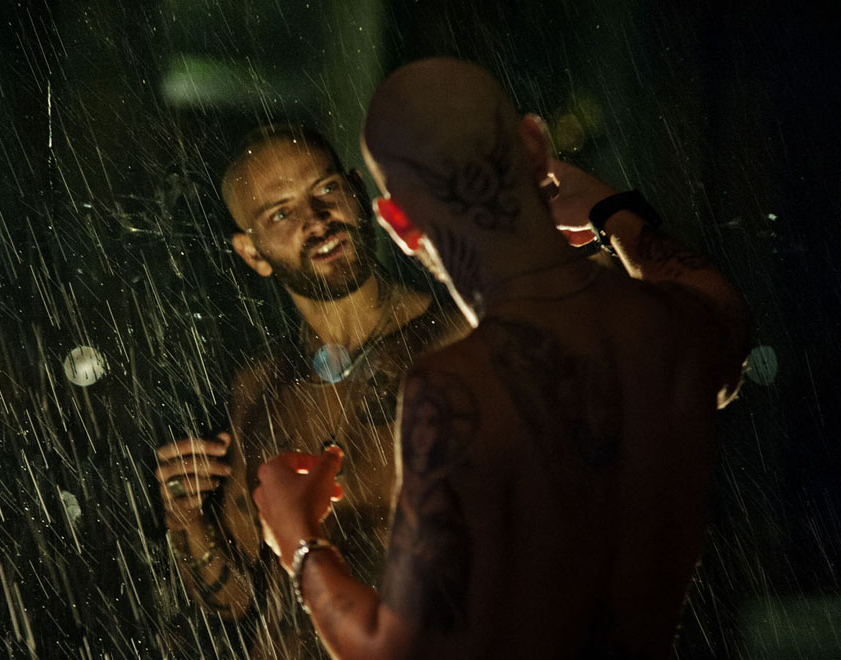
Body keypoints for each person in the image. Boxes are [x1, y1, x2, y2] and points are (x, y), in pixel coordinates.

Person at [252, 58, 749, 660]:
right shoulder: (675, 325)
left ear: (398, 224)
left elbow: (392, 654)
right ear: (537, 148)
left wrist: (298, 540)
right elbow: (712, 296)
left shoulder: (456, 387)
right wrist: (610, 210)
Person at [154, 124, 470, 658]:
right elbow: (239, 599)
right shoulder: (259, 388)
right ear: (252, 254)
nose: (316, 220)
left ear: (356, 191)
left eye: (325, 190)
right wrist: (186, 521)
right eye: (280, 214)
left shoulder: (459, 342)